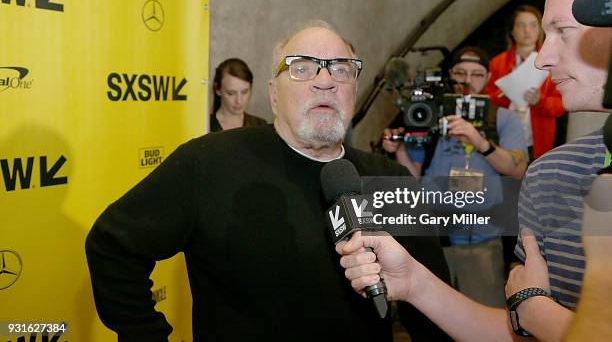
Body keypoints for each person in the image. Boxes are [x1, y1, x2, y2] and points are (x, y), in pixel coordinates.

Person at [85, 20, 451, 341]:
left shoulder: (392, 180)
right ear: (274, 95)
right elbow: (112, 246)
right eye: (302, 68)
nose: (325, 81)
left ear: (353, 91)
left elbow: (433, 313)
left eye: (341, 70)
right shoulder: (208, 163)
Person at [337, 0, 612, 341]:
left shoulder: (504, 123)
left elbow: (532, 319)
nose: (541, 57)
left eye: (562, 31)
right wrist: (414, 282)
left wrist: (537, 311)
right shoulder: (550, 175)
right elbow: (513, 334)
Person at [383, 46, 527, 307]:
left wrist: (479, 140)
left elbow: (517, 169)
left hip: (480, 240)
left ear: (488, 78)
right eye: (460, 73)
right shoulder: (429, 117)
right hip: (434, 240)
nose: (467, 81)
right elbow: (415, 178)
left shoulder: (503, 118)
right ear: (450, 74)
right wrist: (399, 148)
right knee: (434, 320)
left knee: (483, 320)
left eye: (476, 74)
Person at [484, 5, 565, 160]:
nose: (527, 31)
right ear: (512, 31)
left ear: (540, 30)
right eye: (521, 25)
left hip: (539, 135)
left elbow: (562, 104)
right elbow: (488, 100)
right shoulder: (497, 63)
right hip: (504, 133)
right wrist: (506, 94)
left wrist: (539, 100)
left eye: (533, 25)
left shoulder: (552, 61)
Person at [209, 58, 266, 132]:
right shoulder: (204, 126)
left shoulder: (260, 125)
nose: (239, 101)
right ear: (217, 89)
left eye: (244, 92)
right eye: (231, 93)